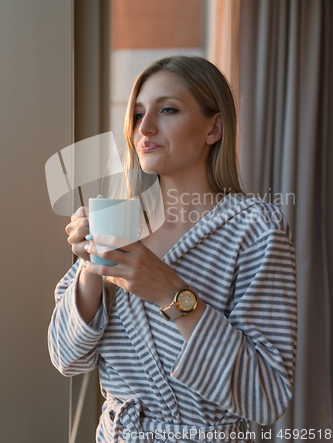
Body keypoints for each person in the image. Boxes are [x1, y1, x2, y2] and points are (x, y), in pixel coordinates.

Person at [48, 56, 297, 443]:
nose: (145, 128)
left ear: (214, 127)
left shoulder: (255, 227)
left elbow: (265, 395)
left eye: (167, 110)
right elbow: (66, 358)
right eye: (137, 114)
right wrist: (90, 269)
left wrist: (171, 293)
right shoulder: (120, 222)